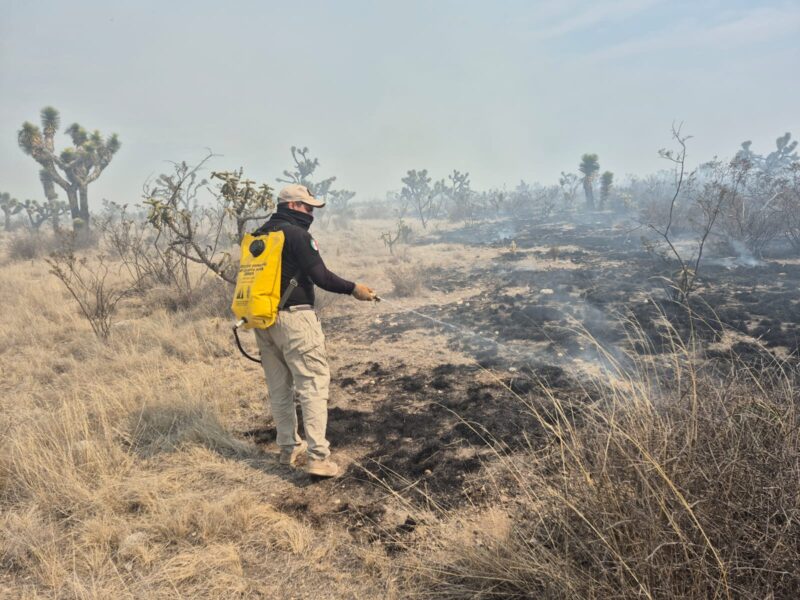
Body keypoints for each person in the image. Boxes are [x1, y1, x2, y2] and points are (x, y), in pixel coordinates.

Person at [252, 184, 376, 478]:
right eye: (307, 207)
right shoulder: (297, 235)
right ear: (293, 205)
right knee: (313, 385)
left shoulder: (259, 235)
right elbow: (321, 277)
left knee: (279, 389)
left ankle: (288, 450)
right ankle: (318, 457)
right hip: (296, 321)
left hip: (264, 322)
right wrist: (354, 288)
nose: (311, 213)